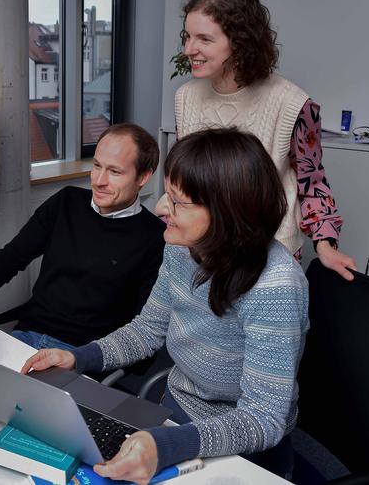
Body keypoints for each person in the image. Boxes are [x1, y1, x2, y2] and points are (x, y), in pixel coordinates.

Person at [23, 128, 309, 484]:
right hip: (174, 413)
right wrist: (78, 358)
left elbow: (263, 419)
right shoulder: (180, 247)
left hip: (242, 448)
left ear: (228, 213)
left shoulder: (275, 286)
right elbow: (147, 330)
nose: (161, 208)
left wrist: (168, 444)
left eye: (178, 202)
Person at [169, 0, 356, 280]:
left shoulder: (293, 104)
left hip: (268, 253)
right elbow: (186, 178)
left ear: (240, 42)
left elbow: (313, 182)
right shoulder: (185, 97)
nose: (189, 49)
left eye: (204, 38)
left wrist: (326, 244)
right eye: (188, 36)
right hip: (202, 248)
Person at [0, 124, 165, 351]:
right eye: (97, 166)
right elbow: (12, 257)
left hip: (82, 355)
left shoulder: (154, 237)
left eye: (114, 171)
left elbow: (143, 327)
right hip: (27, 336)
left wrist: (87, 360)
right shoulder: (66, 202)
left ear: (143, 177)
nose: (99, 181)